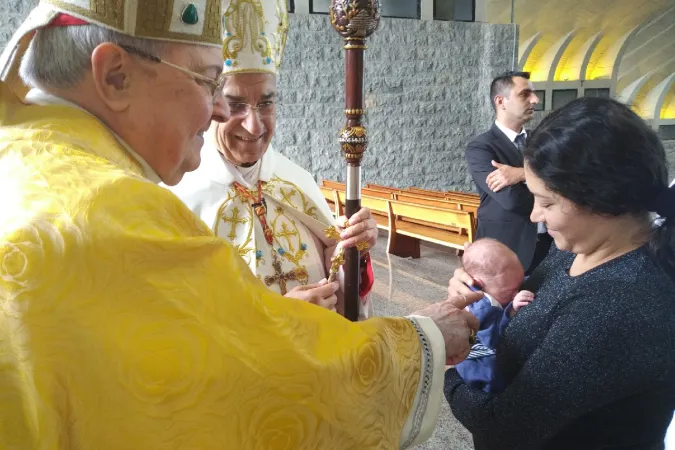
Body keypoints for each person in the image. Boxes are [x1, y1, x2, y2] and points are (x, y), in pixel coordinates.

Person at [0, 1, 481, 448]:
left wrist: (348, 260)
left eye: (266, 102)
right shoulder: (110, 208)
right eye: (209, 82)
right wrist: (423, 340)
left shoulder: (33, 165)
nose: (225, 115)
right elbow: (228, 380)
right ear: (115, 76)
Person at [445, 97, 675, 449]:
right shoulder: (575, 251)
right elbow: (542, 308)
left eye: (546, 202)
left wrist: (449, 368)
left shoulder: (618, 303)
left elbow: (503, 426)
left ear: (600, 199)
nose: (536, 215)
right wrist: (484, 293)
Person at [167, 0, 374, 318]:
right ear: (210, 104)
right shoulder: (176, 202)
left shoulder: (297, 181)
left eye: (266, 103)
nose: (254, 125)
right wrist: (278, 316)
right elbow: (175, 324)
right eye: (235, 104)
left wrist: (353, 252)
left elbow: (345, 296)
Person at [465, 71, 552, 273]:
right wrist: (551, 193)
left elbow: (568, 180)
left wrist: (521, 174)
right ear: (501, 101)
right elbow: (511, 200)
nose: (535, 100)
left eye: (534, 94)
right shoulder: (481, 147)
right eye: (525, 94)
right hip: (506, 248)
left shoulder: (542, 141)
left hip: (550, 246)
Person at [453, 238, 534, 393]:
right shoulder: (481, 307)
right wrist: (511, 310)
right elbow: (493, 339)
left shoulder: (496, 284)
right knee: (494, 374)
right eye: (510, 292)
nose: (516, 293)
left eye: (519, 285)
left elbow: (514, 281)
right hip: (478, 365)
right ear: (478, 284)